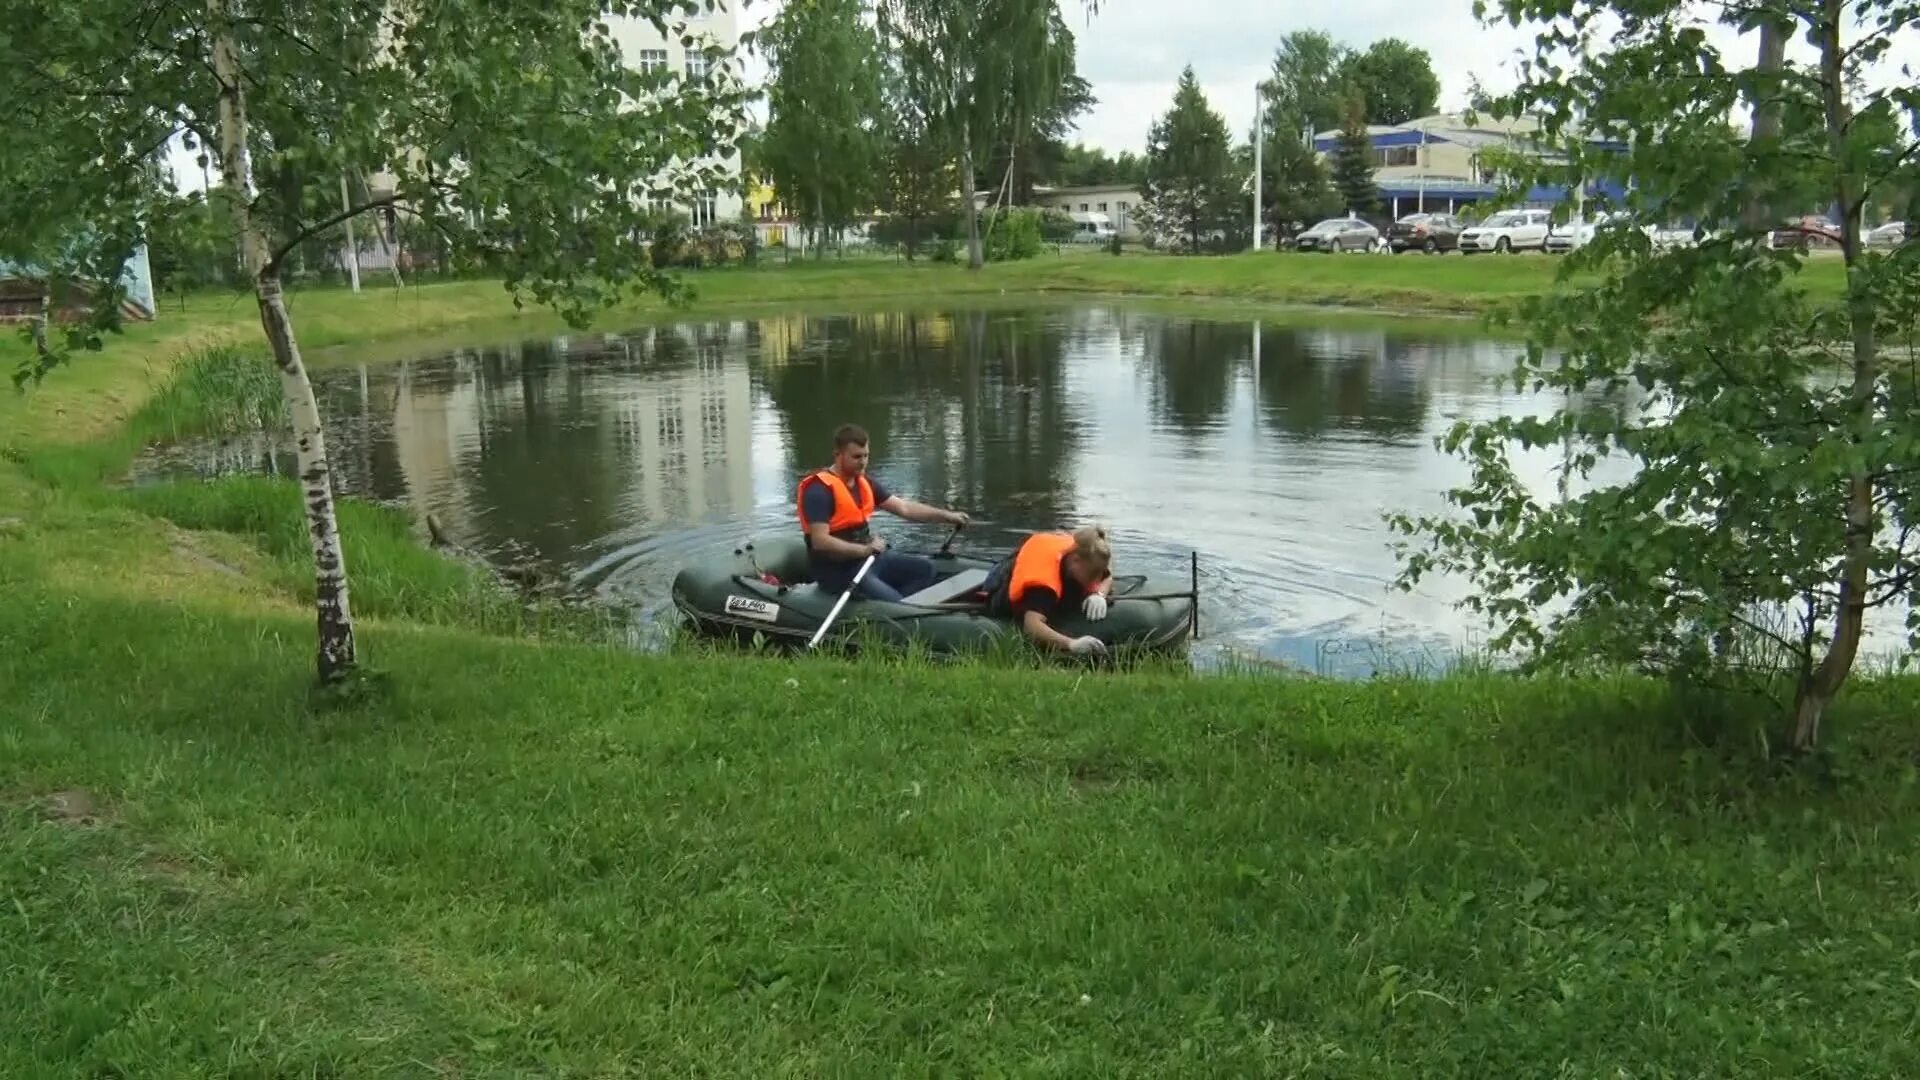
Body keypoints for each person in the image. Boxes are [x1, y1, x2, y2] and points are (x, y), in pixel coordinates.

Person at [797, 423, 971, 602]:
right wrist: (864, 550)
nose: (863, 462)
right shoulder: (818, 490)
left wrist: (947, 516)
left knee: (925, 570)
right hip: (839, 573)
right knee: (894, 602)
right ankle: (897, 607)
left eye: (866, 455)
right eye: (856, 457)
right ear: (837, 455)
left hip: (869, 560)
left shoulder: (864, 482)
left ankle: (903, 608)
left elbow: (905, 508)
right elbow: (820, 541)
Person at [985, 524, 1115, 655]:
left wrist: (1099, 594)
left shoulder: (1087, 556)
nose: (1095, 581)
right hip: (1003, 577)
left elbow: (1107, 577)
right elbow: (1032, 626)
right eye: (1091, 575)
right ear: (1076, 560)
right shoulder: (1043, 587)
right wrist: (1071, 644)